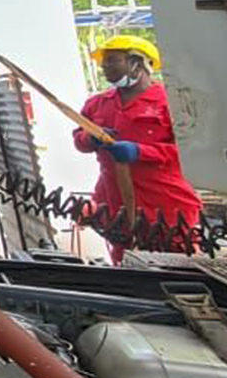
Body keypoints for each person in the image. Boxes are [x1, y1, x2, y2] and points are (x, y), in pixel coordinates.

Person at [73, 35, 203, 264]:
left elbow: (191, 151)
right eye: (104, 61)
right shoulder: (98, 103)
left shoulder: (172, 103)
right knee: (126, 260)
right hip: (114, 197)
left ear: (137, 62)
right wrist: (91, 139)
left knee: (178, 261)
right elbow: (79, 140)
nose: (104, 66)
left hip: (165, 201)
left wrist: (141, 152)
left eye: (112, 60)